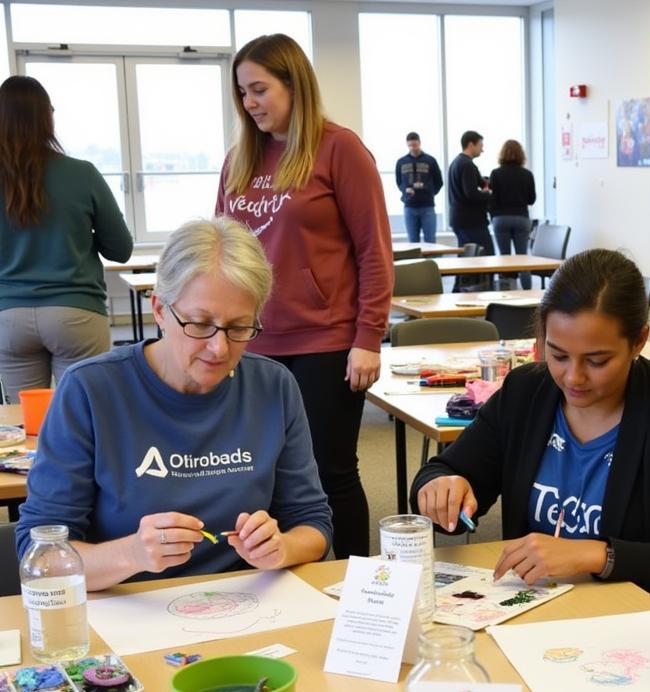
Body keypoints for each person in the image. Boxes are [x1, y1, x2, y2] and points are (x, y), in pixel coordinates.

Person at [412, 249, 650, 625]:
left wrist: (599, 555)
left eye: (597, 361)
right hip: (531, 619)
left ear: (639, 341)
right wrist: (439, 487)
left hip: (640, 629)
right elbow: (444, 472)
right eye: (558, 355)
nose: (573, 378)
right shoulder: (526, 392)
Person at [15, 217, 333, 591]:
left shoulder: (273, 385)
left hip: (247, 602)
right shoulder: (91, 390)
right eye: (199, 324)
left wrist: (282, 548)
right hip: (128, 607)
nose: (219, 348)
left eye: (239, 327)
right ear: (161, 310)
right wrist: (132, 553)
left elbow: (313, 522)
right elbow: (38, 555)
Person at [216, 33, 392, 558]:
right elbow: (220, 248)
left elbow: (374, 252)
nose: (250, 103)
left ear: (294, 84)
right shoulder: (240, 158)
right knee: (264, 474)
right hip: (254, 343)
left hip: (327, 342)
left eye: (260, 90)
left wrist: (369, 338)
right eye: (242, 93)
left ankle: (356, 586)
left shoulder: (339, 149)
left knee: (329, 471)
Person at [0, 75, 132, 395]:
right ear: (47, 117)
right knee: (88, 414)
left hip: (9, 317)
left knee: (24, 426)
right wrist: (79, 234)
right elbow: (120, 249)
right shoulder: (81, 173)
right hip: (76, 313)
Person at [488, 139, 536, 290]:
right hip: (521, 217)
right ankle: (528, 293)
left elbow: (492, 199)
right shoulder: (527, 174)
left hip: (500, 219)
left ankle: (508, 294)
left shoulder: (495, 174)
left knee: (505, 258)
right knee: (523, 258)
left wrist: (493, 217)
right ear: (521, 155)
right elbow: (531, 199)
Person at [447, 130, 493, 256]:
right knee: (486, 256)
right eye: (480, 146)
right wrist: (488, 195)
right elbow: (471, 194)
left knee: (466, 258)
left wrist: (487, 184)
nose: (482, 150)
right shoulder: (467, 165)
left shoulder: (456, 163)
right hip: (471, 222)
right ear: (471, 145)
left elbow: (479, 182)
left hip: (460, 219)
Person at [395, 132, 443, 245]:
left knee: (430, 241)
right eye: (410, 145)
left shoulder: (430, 161)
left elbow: (439, 182)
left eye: (415, 145)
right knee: (413, 243)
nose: (413, 148)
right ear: (407, 145)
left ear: (420, 143)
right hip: (410, 206)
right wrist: (405, 190)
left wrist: (429, 192)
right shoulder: (401, 162)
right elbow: (399, 182)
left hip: (427, 206)